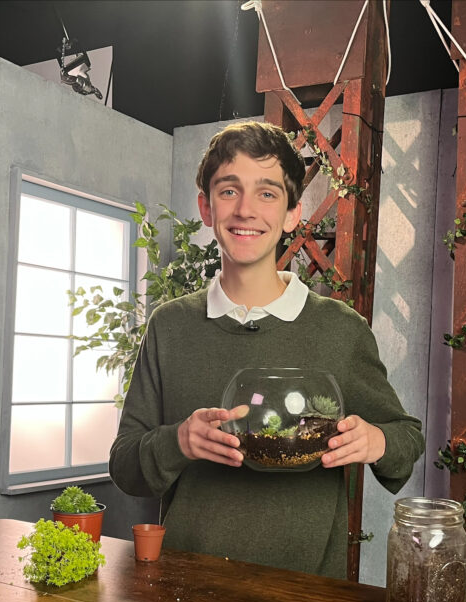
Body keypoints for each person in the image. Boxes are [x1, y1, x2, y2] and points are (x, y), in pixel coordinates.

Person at [109, 121, 424, 578]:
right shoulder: (170, 326)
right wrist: (179, 440)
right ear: (205, 206)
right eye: (229, 190)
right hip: (185, 587)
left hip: (307, 595)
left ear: (293, 213)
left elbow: (406, 436)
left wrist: (375, 440)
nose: (246, 210)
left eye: (268, 193)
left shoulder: (340, 330)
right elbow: (124, 465)